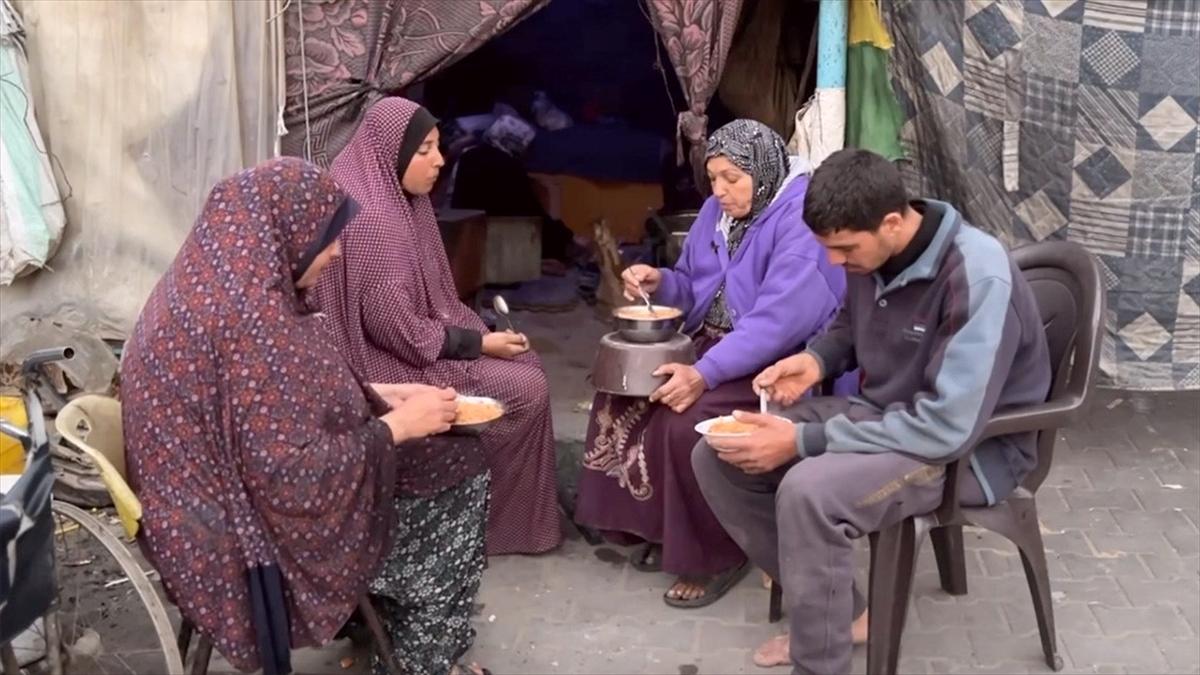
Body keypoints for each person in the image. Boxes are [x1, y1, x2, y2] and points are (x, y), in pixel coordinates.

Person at [121, 158, 490, 675]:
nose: (336, 251)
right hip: (226, 524)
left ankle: (381, 625)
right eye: (328, 238)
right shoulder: (247, 323)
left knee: (451, 451)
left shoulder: (226, 281)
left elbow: (274, 403)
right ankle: (419, 657)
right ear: (283, 233)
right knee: (457, 473)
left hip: (226, 482)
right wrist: (397, 426)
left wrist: (380, 392)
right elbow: (290, 475)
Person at [692, 148, 1051, 673]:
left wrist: (802, 442)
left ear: (890, 222)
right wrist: (815, 362)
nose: (835, 263)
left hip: (968, 451)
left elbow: (946, 427)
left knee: (809, 492)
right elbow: (847, 325)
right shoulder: (870, 249)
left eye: (843, 250)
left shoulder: (977, 275)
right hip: (884, 418)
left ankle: (820, 661)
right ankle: (846, 615)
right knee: (719, 452)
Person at [574, 119, 848, 608]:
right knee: (622, 392)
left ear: (763, 173)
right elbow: (693, 282)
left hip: (779, 365)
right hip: (711, 347)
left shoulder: (801, 221)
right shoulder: (714, 212)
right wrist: (662, 282)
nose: (718, 191)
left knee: (687, 425)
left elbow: (777, 324)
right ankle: (653, 527)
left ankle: (717, 553)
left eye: (732, 179)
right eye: (714, 178)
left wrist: (702, 375)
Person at [313, 97, 562, 556]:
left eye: (438, 146)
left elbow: (428, 303)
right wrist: (479, 343)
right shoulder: (372, 220)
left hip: (407, 342)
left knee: (524, 363)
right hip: (381, 361)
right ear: (392, 151)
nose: (440, 160)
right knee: (524, 390)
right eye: (425, 149)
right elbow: (396, 330)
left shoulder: (400, 197)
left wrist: (482, 338)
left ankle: (503, 515)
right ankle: (486, 527)